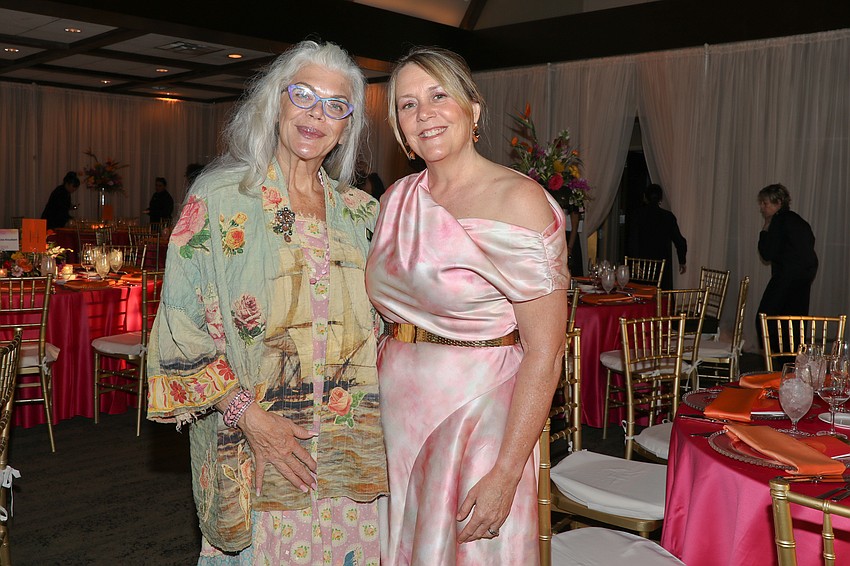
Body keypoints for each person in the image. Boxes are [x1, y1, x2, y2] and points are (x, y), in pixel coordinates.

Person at [145, 40, 387, 564]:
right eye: (303, 95)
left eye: (335, 104)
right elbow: (179, 328)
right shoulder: (220, 199)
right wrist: (248, 418)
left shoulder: (365, 214)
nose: (316, 114)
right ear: (275, 102)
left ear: (348, 126)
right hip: (258, 451)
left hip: (352, 462)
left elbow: (393, 328)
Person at [365, 46, 570, 564]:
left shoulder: (519, 201)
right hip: (398, 415)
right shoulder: (394, 201)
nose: (424, 114)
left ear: (472, 109)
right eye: (407, 106)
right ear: (399, 128)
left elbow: (546, 354)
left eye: (438, 96)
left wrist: (505, 472)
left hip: (478, 418)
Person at [756, 183, 818, 344]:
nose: (762, 208)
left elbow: (767, 253)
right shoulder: (798, 220)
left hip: (787, 275)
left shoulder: (778, 221)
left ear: (778, 204)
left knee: (765, 318)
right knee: (794, 320)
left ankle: (774, 358)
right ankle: (793, 359)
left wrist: (764, 230)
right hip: (805, 275)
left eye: (765, 203)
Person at [626, 183, 687, 289]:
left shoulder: (637, 215)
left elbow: (633, 240)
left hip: (642, 267)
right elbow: (680, 241)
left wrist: (635, 261)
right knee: (661, 296)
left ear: (645, 197)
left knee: (640, 294)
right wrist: (682, 260)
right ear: (660, 198)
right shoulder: (668, 217)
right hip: (661, 269)